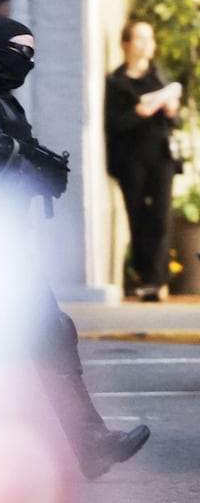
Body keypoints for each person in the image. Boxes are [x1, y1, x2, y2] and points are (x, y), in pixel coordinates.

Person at [0, 17, 150, 478]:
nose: (27, 62)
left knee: (43, 334)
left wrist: (39, 166)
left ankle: (88, 443)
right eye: (19, 51)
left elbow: (12, 149)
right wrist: (34, 163)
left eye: (32, 53)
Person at [105, 20, 182, 301]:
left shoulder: (159, 76)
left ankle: (157, 279)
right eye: (140, 38)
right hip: (130, 158)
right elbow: (112, 124)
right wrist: (139, 112)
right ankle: (145, 276)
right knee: (137, 217)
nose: (147, 44)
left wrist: (172, 111)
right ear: (126, 43)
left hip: (161, 156)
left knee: (161, 216)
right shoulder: (116, 81)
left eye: (150, 38)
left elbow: (175, 121)